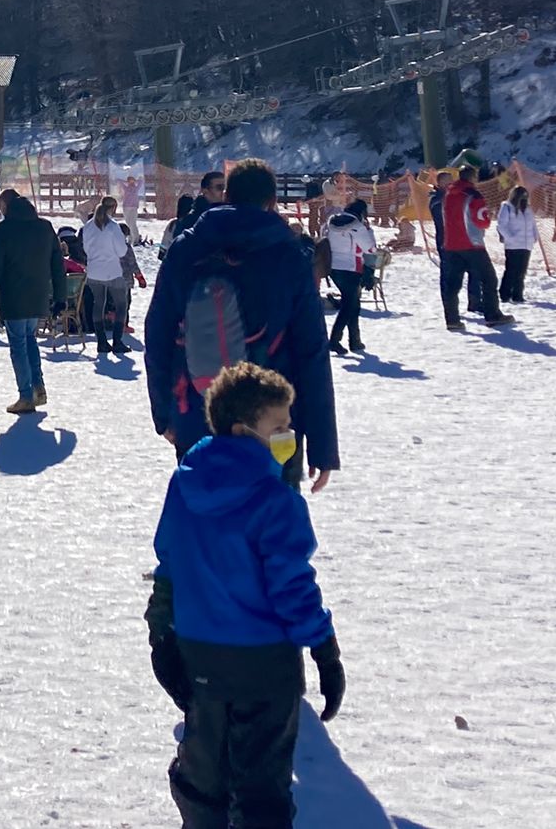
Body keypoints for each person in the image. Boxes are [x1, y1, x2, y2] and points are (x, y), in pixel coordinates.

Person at [146, 362, 344, 828]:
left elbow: (169, 561)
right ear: (242, 428)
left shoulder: (185, 482)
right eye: (278, 427)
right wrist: (324, 647)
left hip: (202, 655)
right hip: (264, 665)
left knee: (204, 773)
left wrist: (161, 631)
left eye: (289, 425)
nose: (289, 435)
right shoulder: (277, 502)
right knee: (261, 786)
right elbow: (292, 585)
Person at [145, 159, 339, 491]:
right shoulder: (288, 254)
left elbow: (158, 332)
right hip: (273, 420)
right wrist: (322, 445)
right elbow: (311, 350)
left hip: (196, 409)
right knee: (272, 525)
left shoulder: (187, 248)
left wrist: (164, 414)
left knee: (207, 519)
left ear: (227, 197)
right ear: (272, 202)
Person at [0, 191, 59, 414]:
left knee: (18, 345)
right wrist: (60, 296)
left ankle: (26, 396)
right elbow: (57, 264)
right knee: (29, 339)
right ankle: (38, 386)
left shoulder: (4, 229)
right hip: (38, 295)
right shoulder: (45, 227)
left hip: (14, 296)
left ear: (6, 205)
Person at [439, 166, 510, 330]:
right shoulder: (473, 195)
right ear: (473, 178)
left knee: (452, 284)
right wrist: (488, 219)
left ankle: (452, 320)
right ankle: (493, 315)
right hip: (472, 243)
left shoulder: (448, 194)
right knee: (489, 279)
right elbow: (481, 221)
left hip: (451, 244)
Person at [81, 196, 137, 355]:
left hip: (93, 271)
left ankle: (101, 342)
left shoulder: (88, 226)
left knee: (99, 303)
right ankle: (117, 341)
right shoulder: (113, 227)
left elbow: (86, 249)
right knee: (121, 304)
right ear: (113, 208)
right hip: (112, 271)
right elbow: (121, 251)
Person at [322, 199, 375, 356]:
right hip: (351, 266)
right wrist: (369, 231)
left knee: (353, 303)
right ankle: (334, 340)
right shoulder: (357, 226)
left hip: (333, 266)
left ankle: (355, 340)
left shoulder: (331, 221)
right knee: (349, 306)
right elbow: (370, 248)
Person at [496, 186, 539, 304]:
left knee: (522, 271)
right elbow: (501, 225)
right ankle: (505, 293)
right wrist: (510, 237)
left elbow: (533, 224)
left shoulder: (528, 209)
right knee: (511, 270)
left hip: (526, 244)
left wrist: (535, 236)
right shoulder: (507, 207)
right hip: (513, 245)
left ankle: (518, 294)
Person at [121, 173, 144, 240]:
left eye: (132, 180)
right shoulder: (125, 188)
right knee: (128, 223)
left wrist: (135, 180)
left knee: (133, 223)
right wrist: (125, 181)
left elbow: (141, 181)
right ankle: (130, 237)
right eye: (129, 181)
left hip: (134, 207)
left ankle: (136, 238)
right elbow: (119, 181)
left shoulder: (136, 188)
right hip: (126, 207)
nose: (131, 182)